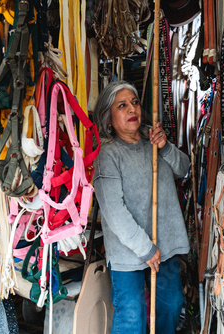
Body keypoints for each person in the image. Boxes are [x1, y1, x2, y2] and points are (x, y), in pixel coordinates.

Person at [92, 81, 190, 333]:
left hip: (164, 246)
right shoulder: (108, 155)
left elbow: (184, 169)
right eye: (122, 106)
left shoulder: (154, 139)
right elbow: (114, 212)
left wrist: (165, 148)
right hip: (129, 252)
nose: (131, 109)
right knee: (132, 317)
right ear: (108, 119)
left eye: (134, 102)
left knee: (170, 306)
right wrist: (145, 249)